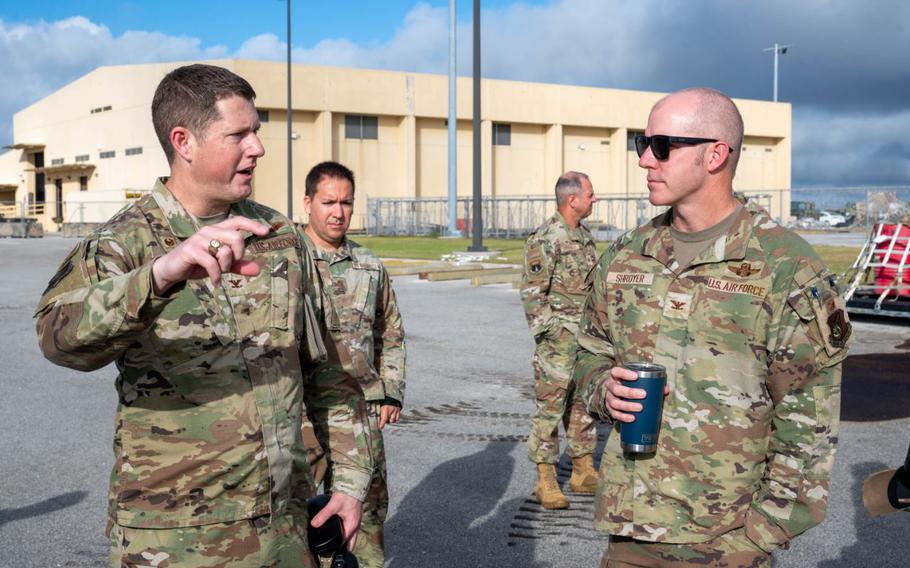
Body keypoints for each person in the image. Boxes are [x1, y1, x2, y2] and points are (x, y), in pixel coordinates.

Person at [34, 64, 372, 567]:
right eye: (239, 134)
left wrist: (347, 483)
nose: (257, 147)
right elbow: (57, 338)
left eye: (256, 131)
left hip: (284, 527)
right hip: (175, 538)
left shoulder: (278, 235)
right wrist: (161, 275)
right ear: (184, 141)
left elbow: (329, 372)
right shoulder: (125, 242)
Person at [574, 87, 851, 567]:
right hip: (630, 531)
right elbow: (588, 352)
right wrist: (602, 388)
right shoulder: (627, 254)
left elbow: (808, 427)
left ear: (715, 155)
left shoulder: (785, 268)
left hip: (726, 542)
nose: (644, 160)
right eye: (643, 143)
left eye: (662, 146)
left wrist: (756, 539)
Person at [298, 161, 406, 568]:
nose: (338, 212)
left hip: (359, 412)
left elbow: (390, 332)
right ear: (307, 202)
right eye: (328, 202)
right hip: (300, 413)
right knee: (300, 515)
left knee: (369, 512)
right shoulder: (287, 261)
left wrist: (391, 389)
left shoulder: (369, 266)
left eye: (346, 202)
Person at [520, 171, 599, 509]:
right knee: (550, 409)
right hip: (558, 342)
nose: (594, 200)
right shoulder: (546, 238)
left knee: (582, 406)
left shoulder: (585, 237)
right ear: (572, 200)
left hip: (585, 341)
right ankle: (546, 478)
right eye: (591, 195)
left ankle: (582, 470)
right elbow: (532, 294)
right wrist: (551, 333)